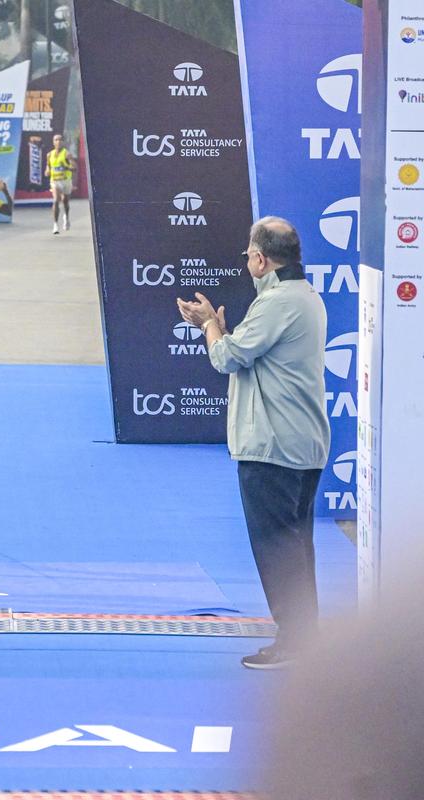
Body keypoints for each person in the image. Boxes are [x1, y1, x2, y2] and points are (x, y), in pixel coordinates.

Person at [176, 216, 328, 670]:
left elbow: (226, 357)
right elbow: (246, 350)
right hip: (298, 443)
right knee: (295, 545)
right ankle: (306, 636)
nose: (246, 261)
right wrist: (224, 330)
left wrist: (209, 326)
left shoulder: (278, 303)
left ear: (260, 259)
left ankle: (296, 641)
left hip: (274, 445)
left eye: (248, 254)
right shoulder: (300, 297)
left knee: (279, 548)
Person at [45, 133, 75, 235]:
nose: (58, 142)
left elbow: (74, 168)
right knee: (56, 200)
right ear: (53, 142)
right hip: (55, 181)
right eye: (56, 140)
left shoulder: (67, 154)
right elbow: (47, 169)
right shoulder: (49, 155)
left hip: (66, 180)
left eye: (60, 140)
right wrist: (47, 172)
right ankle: (55, 225)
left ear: (62, 142)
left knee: (65, 201)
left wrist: (66, 167)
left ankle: (66, 216)